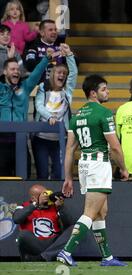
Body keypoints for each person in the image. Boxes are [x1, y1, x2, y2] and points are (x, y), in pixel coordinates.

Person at [57, 74, 129, 267]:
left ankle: (107, 257)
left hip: (84, 165)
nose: (108, 92)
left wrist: (68, 177)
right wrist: (123, 168)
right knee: (90, 212)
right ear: (93, 93)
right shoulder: (104, 113)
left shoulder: (77, 115)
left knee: (100, 212)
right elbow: (115, 146)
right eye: (104, 89)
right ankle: (66, 251)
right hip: (98, 164)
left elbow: (70, 149)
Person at [0, 52, 51, 177]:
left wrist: (46, 59)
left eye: (18, 69)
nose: (16, 71)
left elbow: (36, 74)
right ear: (5, 72)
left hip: (21, 142)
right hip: (1, 144)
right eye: (12, 69)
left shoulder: (26, 86)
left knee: (23, 180)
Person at [32, 43, 77, 180]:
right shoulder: (42, 88)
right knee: (43, 174)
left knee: (59, 174)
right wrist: (49, 116)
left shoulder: (67, 92)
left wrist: (69, 55)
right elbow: (39, 106)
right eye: (59, 72)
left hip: (60, 140)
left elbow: (73, 73)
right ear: (52, 74)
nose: (62, 75)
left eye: (64, 73)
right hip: (41, 139)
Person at [13, 184, 76, 261]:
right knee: (23, 235)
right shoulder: (24, 206)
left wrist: (61, 207)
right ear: (33, 198)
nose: (46, 198)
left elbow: (69, 224)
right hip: (35, 243)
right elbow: (16, 219)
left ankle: (44, 257)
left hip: (53, 244)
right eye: (43, 195)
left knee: (74, 229)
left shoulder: (55, 207)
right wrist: (36, 205)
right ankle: (45, 256)